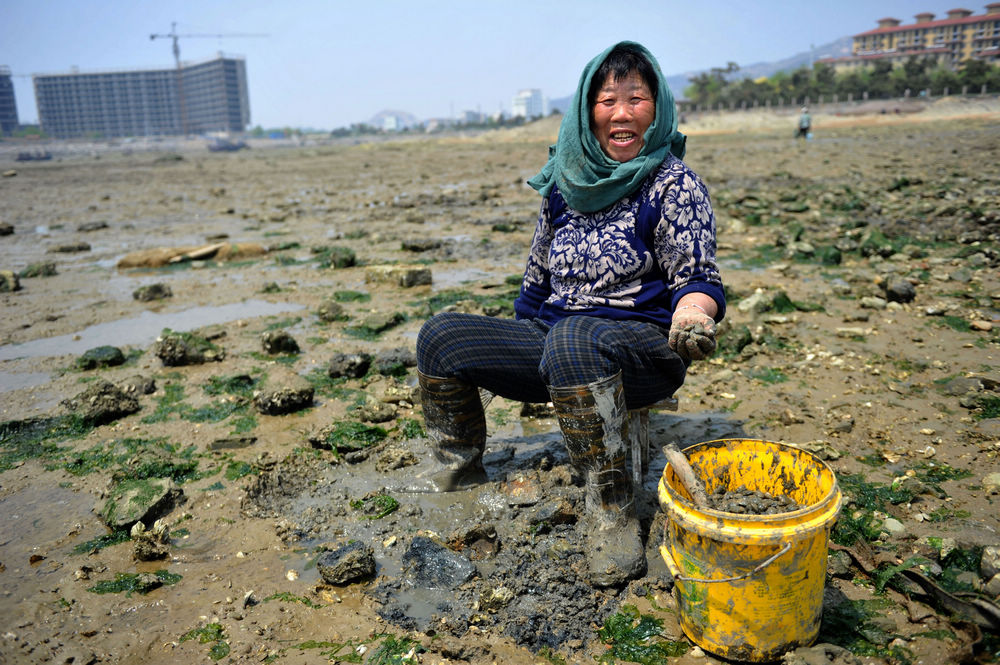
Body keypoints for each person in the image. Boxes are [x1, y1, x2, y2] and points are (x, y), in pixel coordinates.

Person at [413, 41, 725, 587]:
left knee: (575, 337)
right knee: (442, 335)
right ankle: (456, 477)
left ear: (658, 110)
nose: (622, 112)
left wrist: (692, 318)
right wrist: (501, 348)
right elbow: (535, 286)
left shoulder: (674, 185)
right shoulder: (563, 184)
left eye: (636, 98)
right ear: (589, 111)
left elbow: (697, 279)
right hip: (556, 342)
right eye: (608, 100)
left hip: (642, 350)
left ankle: (612, 515)